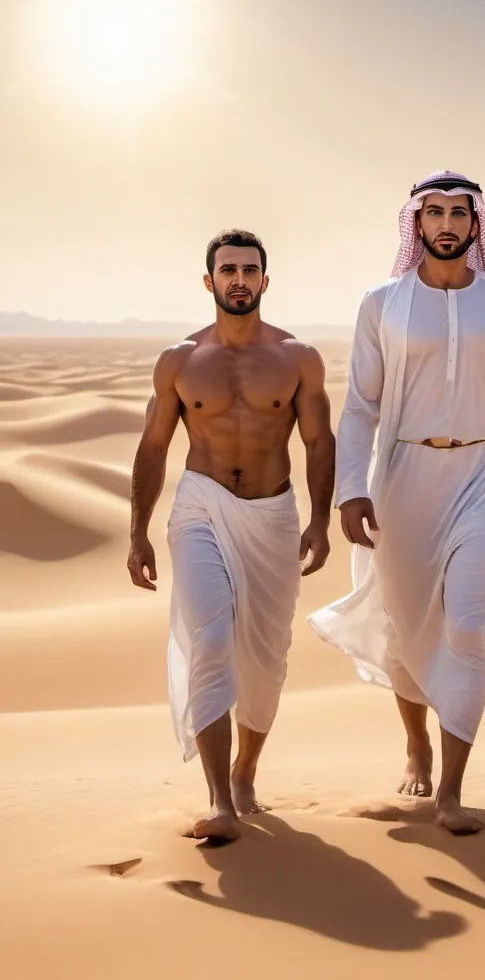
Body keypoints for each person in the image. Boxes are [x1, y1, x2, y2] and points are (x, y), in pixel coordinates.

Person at [308, 171, 485, 835]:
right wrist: (351, 487)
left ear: (477, 226)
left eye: (459, 215)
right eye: (435, 214)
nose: (447, 225)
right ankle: (415, 742)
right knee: (405, 627)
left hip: (482, 474)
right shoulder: (381, 304)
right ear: (415, 224)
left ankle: (451, 790)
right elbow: (360, 404)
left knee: (468, 625)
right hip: (404, 477)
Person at [127, 229, 335, 843]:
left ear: (265, 282)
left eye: (249, 270)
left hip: (272, 515)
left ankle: (246, 772)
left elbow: (319, 441)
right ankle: (220, 800)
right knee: (211, 636)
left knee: (266, 660)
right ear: (209, 281)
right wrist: (136, 531)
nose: (238, 279)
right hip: (200, 507)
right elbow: (155, 445)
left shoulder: (298, 358)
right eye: (227, 270)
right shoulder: (180, 361)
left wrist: (321, 520)